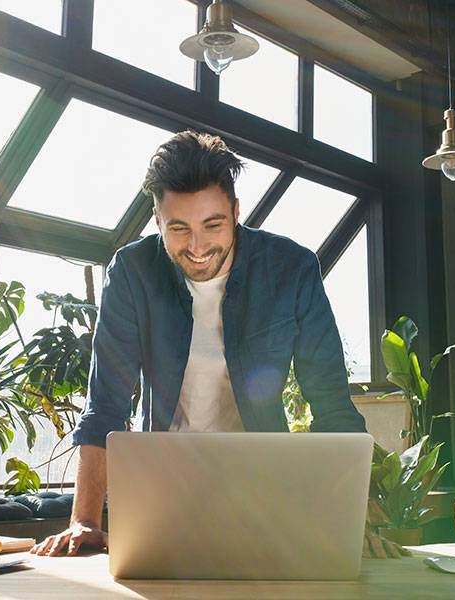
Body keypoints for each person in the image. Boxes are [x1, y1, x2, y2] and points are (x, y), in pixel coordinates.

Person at [31, 131, 406, 559]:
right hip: (164, 503)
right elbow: (106, 408)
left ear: (236, 212)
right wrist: (84, 521)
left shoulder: (292, 269)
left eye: (213, 225)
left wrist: (347, 519)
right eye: (179, 228)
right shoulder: (132, 272)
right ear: (157, 221)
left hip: (267, 499)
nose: (198, 247)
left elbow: (333, 407)